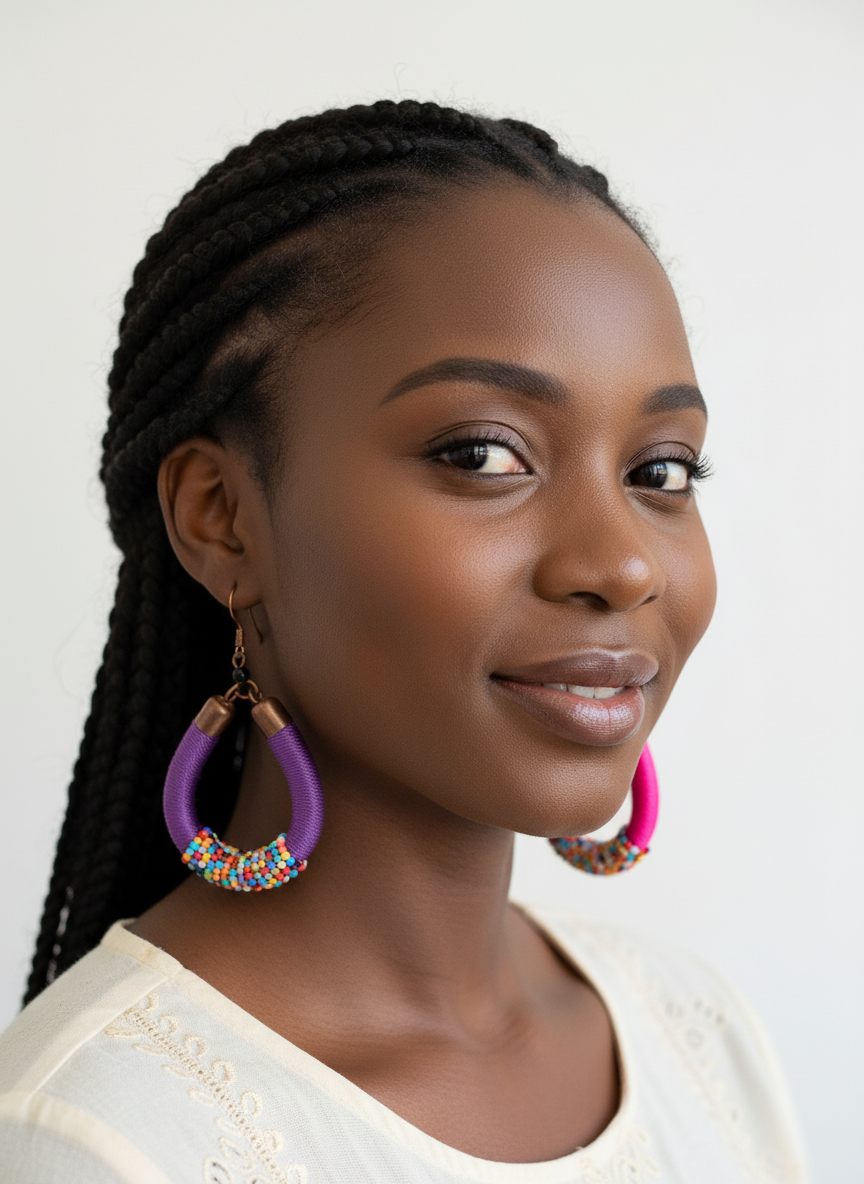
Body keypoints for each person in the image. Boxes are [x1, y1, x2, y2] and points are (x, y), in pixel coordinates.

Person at [0, 100, 808, 1183]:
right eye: (483, 453)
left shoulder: (697, 1033)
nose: (622, 564)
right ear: (223, 519)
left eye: (661, 470)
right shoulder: (105, 1135)